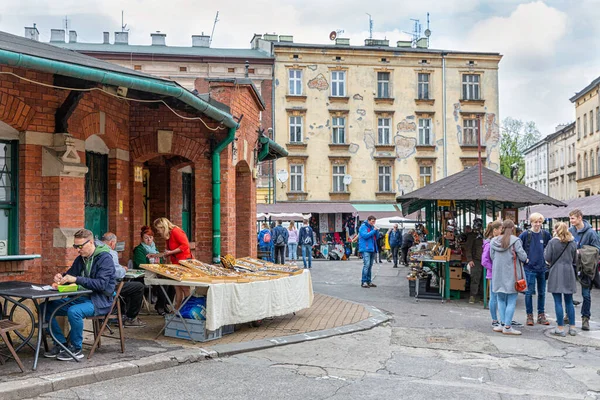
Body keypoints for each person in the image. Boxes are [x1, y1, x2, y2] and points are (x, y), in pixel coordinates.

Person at [44, 229, 115, 360]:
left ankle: (77, 348)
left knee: (74, 311)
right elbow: (71, 274)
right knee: (45, 307)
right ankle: (60, 344)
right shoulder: (81, 259)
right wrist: (61, 278)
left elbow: (101, 285)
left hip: (99, 301)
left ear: (91, 242)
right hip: (80, 298)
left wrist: (76, 279)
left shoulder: (105, 259)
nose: (78, 250)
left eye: (80, 246)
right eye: (76, 246)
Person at [490, 219, 528, 335]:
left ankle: (502, 324)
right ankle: (507, 326)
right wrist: (526, 259)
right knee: (511, 301)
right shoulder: (516, 241)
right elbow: (522, 255)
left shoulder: (493, 241)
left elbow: (492, 257)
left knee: (500, 299)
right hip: (512, 275)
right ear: (512, 228)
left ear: (502, 228)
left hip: (498, 274)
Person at [101, 232, 146, 328]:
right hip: (109, 287)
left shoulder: (96, 248)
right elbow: (117, 273)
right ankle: (131, 318)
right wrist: (123, 269)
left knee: (128, 286)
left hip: (101, 285)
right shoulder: (110, 252)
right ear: (112, 243)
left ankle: (122, 313)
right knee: (138, 287)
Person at [568, 209, 600, 331]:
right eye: (570, 218)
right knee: (568, 291)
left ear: (580, 218)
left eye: (573, 218)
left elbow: (597, 249)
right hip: (572, 266)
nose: (571, 221)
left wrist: (581, 252)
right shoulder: (570, 231)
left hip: (586, 267)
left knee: (586, 294)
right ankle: (568, 314)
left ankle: (585, 318)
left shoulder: (591, 233)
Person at [518, 213, 552, 326]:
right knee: (529, 293)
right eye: (535, 222)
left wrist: (547, 260)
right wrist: (525, 260)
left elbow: (550, 247)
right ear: (531, 222)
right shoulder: (525, 235)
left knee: (542, 292)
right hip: (529, 268)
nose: (537, 224)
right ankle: (529, 316)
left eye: (539, 222)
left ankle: (541, 315)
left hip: (542, 268)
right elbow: (518, 248)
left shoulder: (545, 234)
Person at [545, 222, 578, 337]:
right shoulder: (572, 242)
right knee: (569, 301)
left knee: (557, 301)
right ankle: (573, 327)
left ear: (555, 230)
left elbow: (547, 257)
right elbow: (575, 260)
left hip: (556, 272)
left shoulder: (553, 242)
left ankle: (560, 328)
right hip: (569, 272)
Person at [132, 225, 174, 316]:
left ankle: (164, 303)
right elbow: (141, 265)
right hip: (144, 275)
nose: (149, 240)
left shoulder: (154, 249)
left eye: (150, 237)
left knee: (171, 281)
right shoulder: (139, 249)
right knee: (163, 283)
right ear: (142, 239)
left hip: (156, 272)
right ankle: (160, 305)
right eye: (146, 238)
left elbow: (161, 261)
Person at [154, 218, 192, 310]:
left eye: (158, 229)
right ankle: (177, 309)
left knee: (185, 288)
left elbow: (185, 245)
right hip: (176, 263)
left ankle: (188, 309)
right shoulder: (168, 235)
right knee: (177, 288)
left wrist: (170, 253)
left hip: (183, 263)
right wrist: (157, 255)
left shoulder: (176, 231)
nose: (158, 232)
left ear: (163, 227)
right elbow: (168, 251)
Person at [482, 220, 502, 330]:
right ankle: (494, 319)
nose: (502, 231)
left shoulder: (491, 242)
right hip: (493, 273)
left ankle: (499, 319)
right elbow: (484, 261)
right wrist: (494, 269)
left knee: (496, 296)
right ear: (495, 230)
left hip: (495, 272)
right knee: (494, 296)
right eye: (500, 229)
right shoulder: (489, 244)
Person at [465, 218, 484, 304]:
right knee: (475, 278)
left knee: (484, 278)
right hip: (475, 260)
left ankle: (483, 296)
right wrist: (470, 259)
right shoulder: (472, 236)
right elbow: (468, 248)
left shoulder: (484, 235)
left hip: (485, 260)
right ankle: (472, 296)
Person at [359, 216, 379, 288]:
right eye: (372, 221)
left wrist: (376, 231)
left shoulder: (372, 227)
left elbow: (376, 237)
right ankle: (364, 281)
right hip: (366, 248)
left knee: (370, 265)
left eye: (374, 221)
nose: (373, 223)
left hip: (372, 248)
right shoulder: (363, 227)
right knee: (366, 265)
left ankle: (368, 281)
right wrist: (374, 230)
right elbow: (365, 236)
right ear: (368, 220)